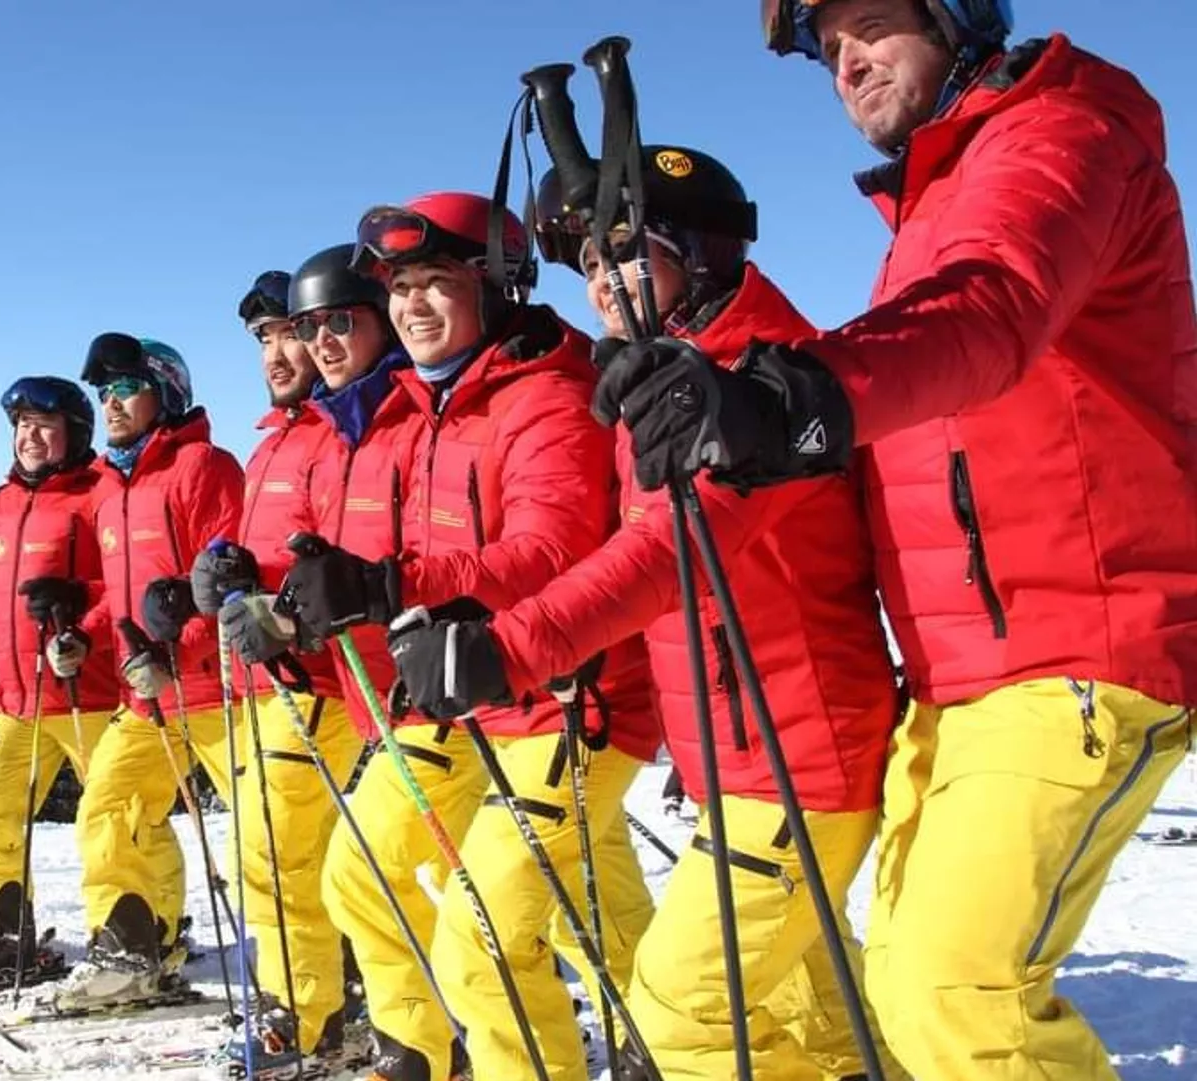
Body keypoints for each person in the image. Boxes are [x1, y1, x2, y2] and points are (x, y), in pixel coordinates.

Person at [593, 4, 1197, 1075]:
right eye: (828, 50)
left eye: (869, 24)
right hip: (959, 676)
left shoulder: (1058, 133)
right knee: (899, 997)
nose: (848, 63)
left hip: (1077, 645)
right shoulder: (933, 209)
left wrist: (789, 397)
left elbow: (990, 309)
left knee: (953, 996)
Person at [393, 146, 904, 1079]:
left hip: (796, 752)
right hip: (745, 752)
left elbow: (665, 551)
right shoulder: (679, 377)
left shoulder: (750, 384)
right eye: (589, 262)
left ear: (699, 254)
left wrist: (506, 648)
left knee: (683, 1019)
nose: (600, 282)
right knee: (819, 1022)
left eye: (625, 253)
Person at [276, 193, 660, 1081]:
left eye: (434, 281)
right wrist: (309, 596)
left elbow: (552, 549)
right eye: (399, 286)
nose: (411, 304)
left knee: (484, 930)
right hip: (466, 693)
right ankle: (427, 1049)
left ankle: (656, 1041)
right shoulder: (428, 406)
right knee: (364, 872)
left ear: (493, 284)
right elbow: (407, 548)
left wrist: (386, 585)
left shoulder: (546, 395)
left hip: (572, 698)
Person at [190, 263, 372, 1074]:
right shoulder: (273, 443)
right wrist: (218, 575)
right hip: (267, 677)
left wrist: (284, 604)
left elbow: (344, 557)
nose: (275, 352)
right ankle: (335, 992)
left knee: (273, 848)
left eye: (290, 332)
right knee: (288, 849)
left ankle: (308, 1011)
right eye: (263, 338)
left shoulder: (339, 433)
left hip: (320, 676)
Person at [55, 334, 245, 1008]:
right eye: (104, 392)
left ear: (166, 392)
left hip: (223, 693)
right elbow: (120, 593)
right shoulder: (110, 489)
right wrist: (82, 634)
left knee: (270, 834)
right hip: (148, 698)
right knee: (107, 806)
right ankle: (133, 949)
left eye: (126, 388)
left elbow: (231, 583)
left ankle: (338, 971)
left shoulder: (203, 467)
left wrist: (177, 654)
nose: (111, 403)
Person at [0, 375, 118, 981]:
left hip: (90, 692)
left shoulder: (101, 492)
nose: (30, 437)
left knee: (115, 822)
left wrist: (78, 598)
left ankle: (142, 934)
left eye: (44, 426)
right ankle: (2, 932)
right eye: (22, 426)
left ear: (74, 433)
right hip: (16, 697)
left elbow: (126, 580)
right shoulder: (0, 505)